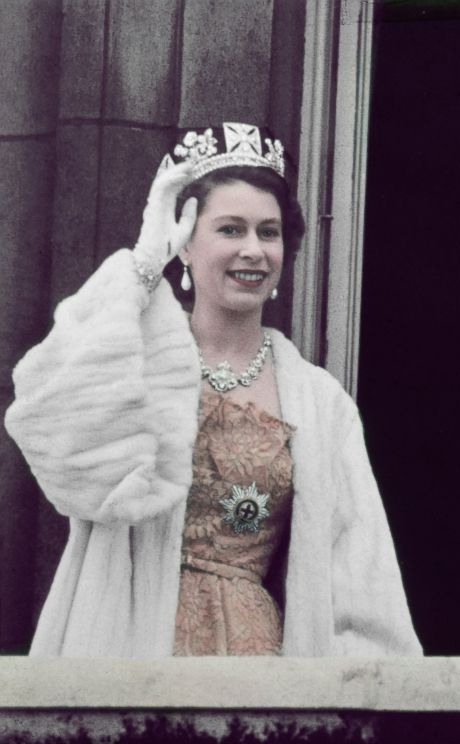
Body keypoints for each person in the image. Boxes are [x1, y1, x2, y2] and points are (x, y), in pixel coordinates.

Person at [6, 123, 422, 657]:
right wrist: (143, 263)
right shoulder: (135, 361)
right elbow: (54, 430)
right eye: (230, 229)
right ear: (185, 243)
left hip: (255, 667)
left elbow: (359, 575)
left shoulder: (322, 403)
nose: (253, 250)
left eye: (268, 232)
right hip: (124, 645)